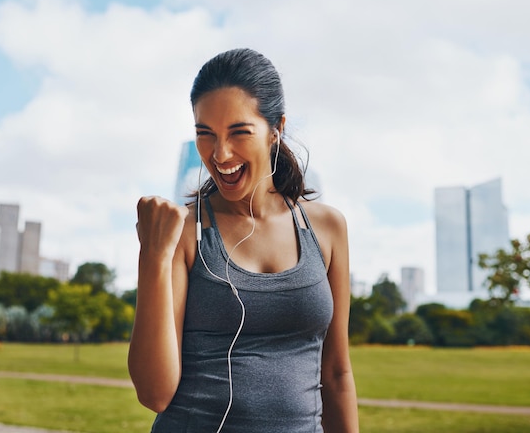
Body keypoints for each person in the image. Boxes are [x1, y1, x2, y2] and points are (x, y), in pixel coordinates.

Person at [129, 48, 359, 433]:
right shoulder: (182, 232)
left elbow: (336, 373)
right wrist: (153, 256)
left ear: (276, 128)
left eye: (239, 132)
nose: (220, 154)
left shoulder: (327, 228)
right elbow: (155, 393)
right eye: (206, 134)